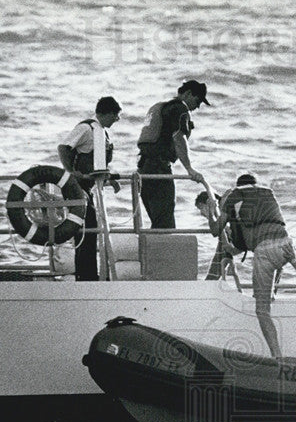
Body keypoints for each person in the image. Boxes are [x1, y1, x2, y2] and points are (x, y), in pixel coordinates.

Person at [210, 174, 293, 358]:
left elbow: (216, 231)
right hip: (287, 245)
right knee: (272, 260)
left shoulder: (234, 195)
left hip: (266, 250)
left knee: (262, 311)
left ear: (238, 186)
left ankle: (277, 357)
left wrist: (212, 211)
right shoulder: (267, 194)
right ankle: (272, 292)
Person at [57, 96, 123, 281]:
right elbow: (63, 147)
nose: (117, 120)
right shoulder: (86, 129)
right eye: (116, 116)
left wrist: (109, 180)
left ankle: (89, 275)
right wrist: (72, 172)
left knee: (91, 230)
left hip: (89, 188)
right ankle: (85, 277)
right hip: (77, 188)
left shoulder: (102, 133)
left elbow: (96, 165)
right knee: (85, 231)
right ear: (107, 113)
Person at [137, 80, 209, 229]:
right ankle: (161, 252)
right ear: (188, 93)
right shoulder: (180, 109)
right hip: (158, 169)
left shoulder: (163, 108)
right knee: (165, 223)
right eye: (198, 100)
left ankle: (153, 250)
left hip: (144, 170)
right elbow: (179, 137)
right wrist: (190, 169)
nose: (198, 106)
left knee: (158, 220)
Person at [194, 190, 241, 280]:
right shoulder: (223, 215)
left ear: (208, 203)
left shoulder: (224, 206)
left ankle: (210, 283)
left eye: (201, 208)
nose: (201, 213)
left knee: (224, 246)